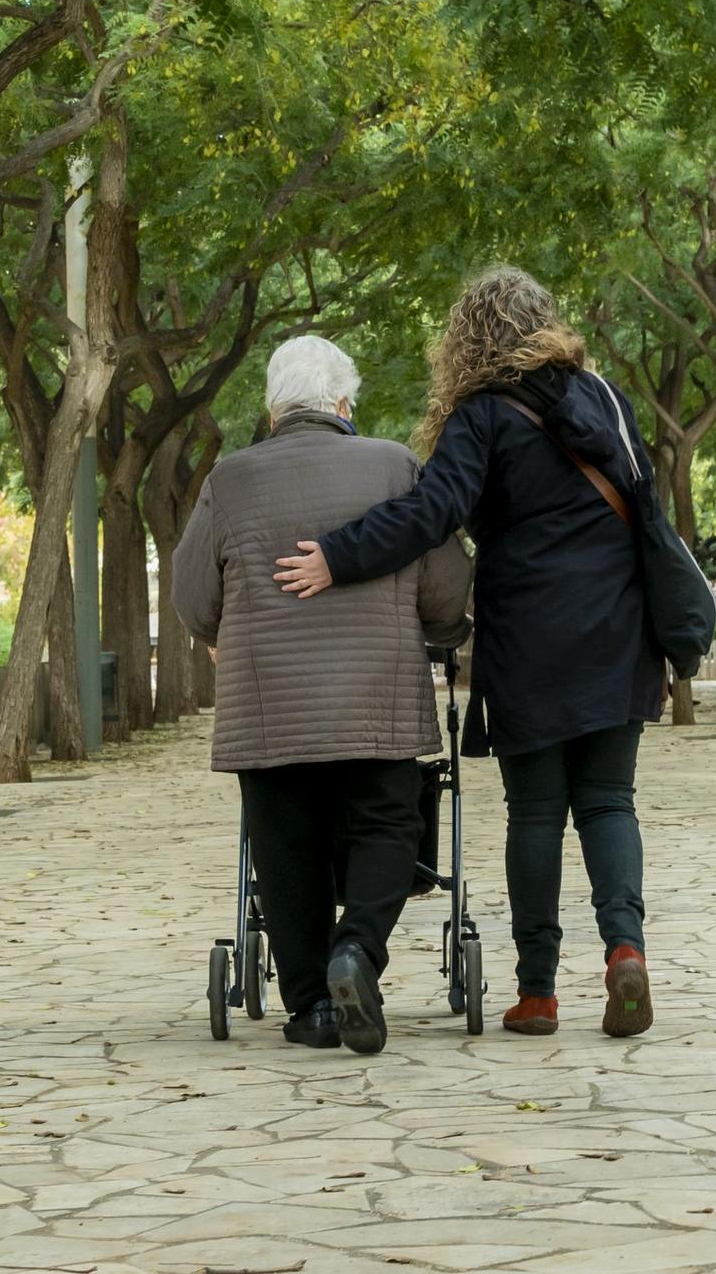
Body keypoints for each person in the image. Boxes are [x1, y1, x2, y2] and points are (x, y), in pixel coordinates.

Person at [273, 267, 663, 1040]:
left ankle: (538, 993)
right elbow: (648, 502)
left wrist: (338, 556)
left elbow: (430, 514)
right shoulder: (608, 400)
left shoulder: (482, 416)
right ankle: (626, 950)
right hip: (622, 632)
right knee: (610, 802)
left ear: (469, 338)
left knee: (538, 811)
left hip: (529, 640)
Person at [173, 336, 471, 1056]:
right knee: (387, 825)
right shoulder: (395, 465)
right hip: (379, 696)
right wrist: (439, 627)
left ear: (274, 409)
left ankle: (310, 1007)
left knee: (284, 845)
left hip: (268, 703)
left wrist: (224, 631)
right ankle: (358, 954)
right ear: (344, 405)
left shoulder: (229, 479)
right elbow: (446, 590)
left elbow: (192, 598)